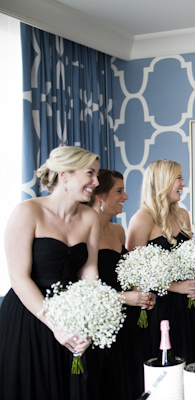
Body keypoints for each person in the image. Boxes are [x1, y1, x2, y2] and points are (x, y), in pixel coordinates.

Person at [0, 146, 100, 400]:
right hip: (30, 317)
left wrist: (87, 325)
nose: (96, 182)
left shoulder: (90, 218)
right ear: (64, 174)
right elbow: (19, 278)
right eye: (90, 174)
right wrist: (56, 326)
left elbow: (90, 275)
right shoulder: (27, 212)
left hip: (72, 316)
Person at [85, 169, 156, 400]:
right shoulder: (84, 231)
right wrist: (125, 297)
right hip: (100, 324)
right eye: (119, 191)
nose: (126, 197)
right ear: (100, 196)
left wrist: (141, 293)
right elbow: (83, 287)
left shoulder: (118, 230)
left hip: (126, 322)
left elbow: (125, 275)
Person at [126, 160, 195, 363]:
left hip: (187, 303)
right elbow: (133, 275)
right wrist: (176, 287)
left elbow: (190, 257)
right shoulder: (142, 219)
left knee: (189, 359)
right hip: (157, 306)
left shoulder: (183, 214)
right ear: (163, 182)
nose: (183, 184)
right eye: (179, 179)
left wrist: (194, 283)